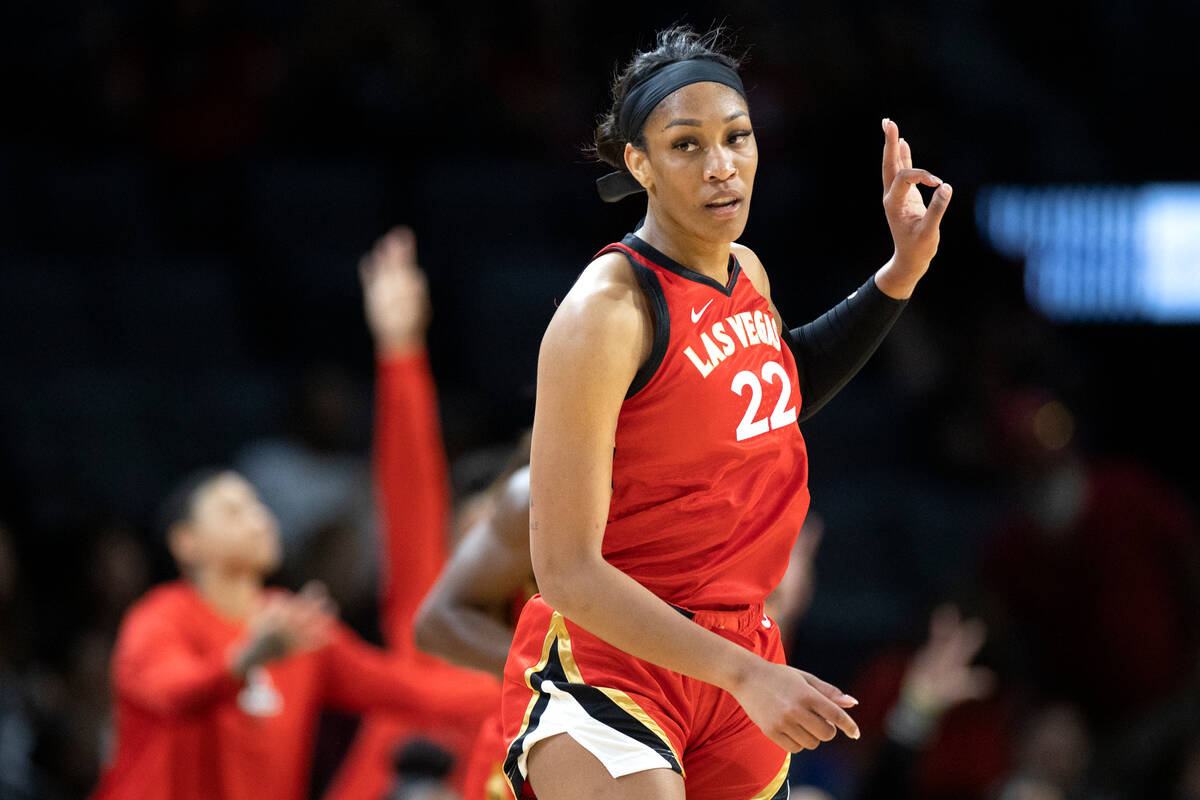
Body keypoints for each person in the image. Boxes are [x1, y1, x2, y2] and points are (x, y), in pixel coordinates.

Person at [501, 24, 952, 800]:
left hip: (739, 644)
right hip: (616, 657)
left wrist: (898, 275)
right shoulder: (605, 313)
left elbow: (779, 389)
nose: (721, 167)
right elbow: (566, 570)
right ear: (638, 162)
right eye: (686, 146)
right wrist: (747, 675)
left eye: (736, 138)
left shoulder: (746, 271)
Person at [90, 470, 485, 800]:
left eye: (258, 506)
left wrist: (522, 682)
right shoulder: (158, 619)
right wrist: (246, 660)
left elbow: (410, 691)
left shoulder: (294, 625)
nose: (259, 518)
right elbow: (172, 694)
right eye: (234, 511)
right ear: (186, 542)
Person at [321, 227, 502, 800]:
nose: (484, 552)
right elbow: (411, 491)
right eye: (474, 533)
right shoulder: (430, 617)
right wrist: (400, 350)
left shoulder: (559, 659)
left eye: (504, 536)